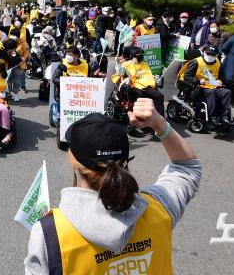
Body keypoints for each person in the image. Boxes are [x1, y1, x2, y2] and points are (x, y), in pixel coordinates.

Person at [24, 99, 200, 274]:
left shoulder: (49, 234)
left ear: (74, 164)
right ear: (124, 162)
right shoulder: (160, 207)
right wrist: (159, 124)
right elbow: (187, 168)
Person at [183, 45, 233, 125]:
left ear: (216, 55)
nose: (210, 56)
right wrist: (198, 81)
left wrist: (220, 80)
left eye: (213, 55)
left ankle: (225, 117)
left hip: (214, 86)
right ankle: (212, 117)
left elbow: (221, 75)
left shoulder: (218, 62)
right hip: (199, 88)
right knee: (211, 92)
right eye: (208, 54)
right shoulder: (196, 62)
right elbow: (186, 76)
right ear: (204, 52)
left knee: (227, 92)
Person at [121, 47, 165, 117]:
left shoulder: (144, 64)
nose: (140, 57)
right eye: (137, 55)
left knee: (159, 96)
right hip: (133, 85)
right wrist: (135, 74)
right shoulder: (126, 64)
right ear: (133, 56)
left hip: (146, 85)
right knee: (141, 95)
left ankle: (160, 117)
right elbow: (124, 76)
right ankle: (140, 116)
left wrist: (153, 77)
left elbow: (148, 74)